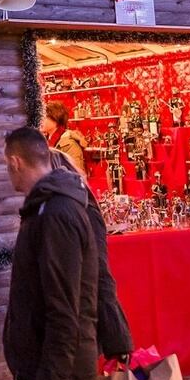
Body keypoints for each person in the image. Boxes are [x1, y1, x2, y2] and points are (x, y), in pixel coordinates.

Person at [3, 126, 98, 380]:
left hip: (55, 379)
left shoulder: (56, 214)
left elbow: (64, 308)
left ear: (15, 162)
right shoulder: (46, 209)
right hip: (48, 373)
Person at [50, 150, 132, 363]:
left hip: (82, 322)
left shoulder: (81, 209)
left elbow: (100, 275)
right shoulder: (65, 208)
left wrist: (118, 342)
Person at [42, 101, 87, 176]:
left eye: (44, 117)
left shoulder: (70, 144)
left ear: (55, 118)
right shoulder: (45, 141)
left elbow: (76, 177)